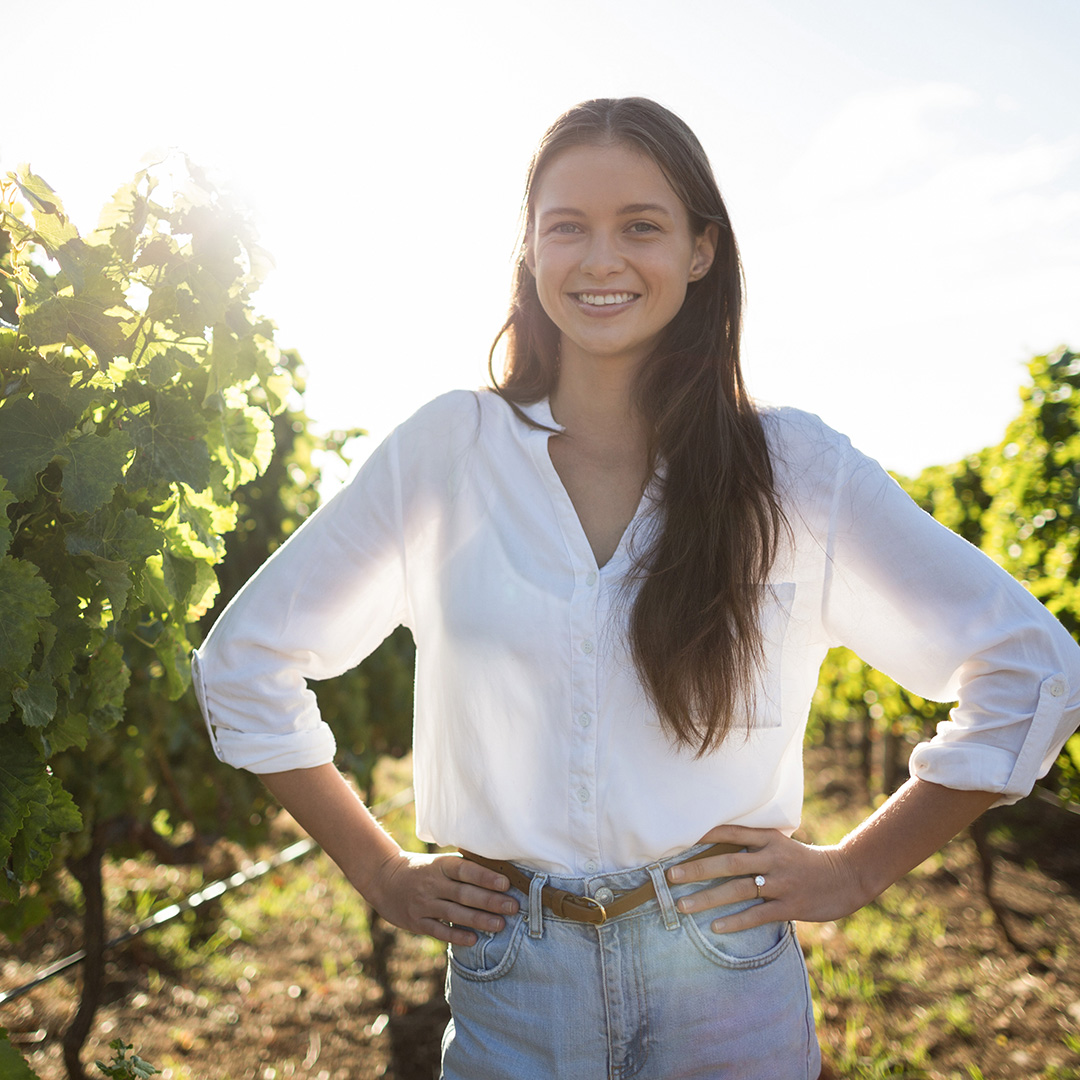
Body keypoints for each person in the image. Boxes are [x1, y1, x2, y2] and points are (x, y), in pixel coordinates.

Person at [192, 98, 1080, 1079]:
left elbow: (1030, 668)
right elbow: (244, 662)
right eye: (567, 226)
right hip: (512, 979)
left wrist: (859, 868)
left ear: (702, 250)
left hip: (725, 979)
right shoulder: (449, 452)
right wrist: (377, 870)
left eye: (641, 226)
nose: (601, 259)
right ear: (529, 251)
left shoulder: (793, 468)